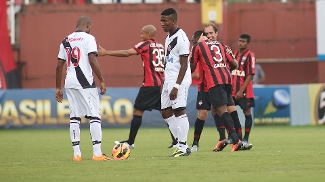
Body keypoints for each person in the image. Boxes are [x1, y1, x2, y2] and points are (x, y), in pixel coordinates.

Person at [97, 25, 177, 149]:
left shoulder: (145, 44)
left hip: (150, 85)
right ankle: (176, 141)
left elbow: (127, 53)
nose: (141, 36)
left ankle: (130, 142)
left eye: (142, 33)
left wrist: (106, 52)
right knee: (166, 112)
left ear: (149, 34)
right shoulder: (161, 45)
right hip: (162, 84)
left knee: (138, 111)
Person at [55, 15, 110, 161]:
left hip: (70, 82)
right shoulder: (89, 38)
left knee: (74, 116)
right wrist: (102, 80)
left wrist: (58, 88)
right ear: (87, 25)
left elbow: (59, 65)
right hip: (85, 81)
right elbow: (92, 59)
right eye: (90, 27)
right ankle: (97, 153)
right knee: (94, 115)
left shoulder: (65, 40)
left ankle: (76, 154)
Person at [190, 23, 242, 152]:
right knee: (213, 111)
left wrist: (194, 48)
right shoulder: (221, 45)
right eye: (206, 34)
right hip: (224, 79)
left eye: (210, 33)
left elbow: (191, 68)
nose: (209, 36)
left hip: (214, 82)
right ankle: (221, 139)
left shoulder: (198, 46)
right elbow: (234, 64)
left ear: (216, 33)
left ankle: (236, 140)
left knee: (223, 110)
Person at [160, 8, 192, 157]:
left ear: (173, 21)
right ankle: (179, 143)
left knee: (179, 111)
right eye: (161, 20)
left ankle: (183, 146)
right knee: (166, 111)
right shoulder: (168, 36)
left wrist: (177, 86)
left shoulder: (182, 38)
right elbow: (169, 60)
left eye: (165, 20)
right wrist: (165, 82)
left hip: (179, 80)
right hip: (168, 79)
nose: (162, 23)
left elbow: (184, 65)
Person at [231, 34, 255, 149]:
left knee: (247, 113)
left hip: (244, 91)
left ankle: (246, 138)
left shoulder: (250, 56)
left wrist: (241, 90)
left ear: (248, 43)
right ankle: (233, 136)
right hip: (232, 91)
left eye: (243, 41)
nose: (240, 43)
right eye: (239, 41)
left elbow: (250, 75)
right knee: (229, 113)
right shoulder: (234, 54)